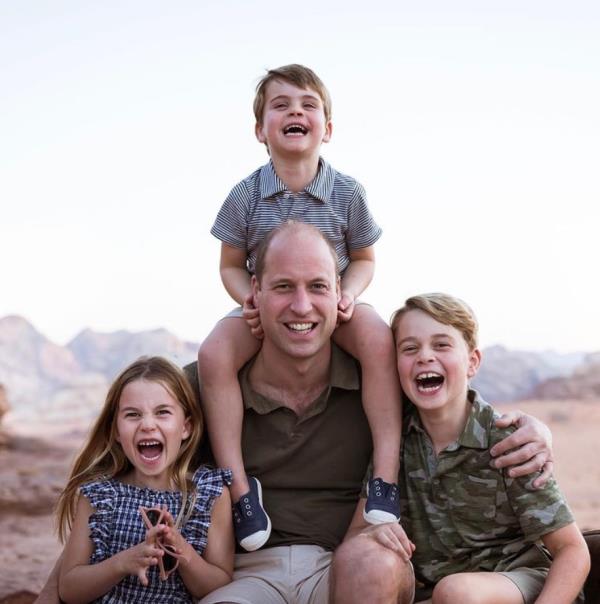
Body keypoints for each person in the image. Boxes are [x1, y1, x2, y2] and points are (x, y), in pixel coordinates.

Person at [35, 223, 555, 604]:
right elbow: (117, 480)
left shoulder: (379, 385)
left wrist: (537, 429)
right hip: (245, 575)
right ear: (254, 294)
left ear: (340, 298)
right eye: (283, 287)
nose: (301, 306)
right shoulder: (207, 390)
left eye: (317, 287)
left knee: (372, 560)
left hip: (348, 566)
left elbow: (452, 405)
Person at [198, 63, 403, 550]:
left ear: (327, 129)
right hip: (267, 306)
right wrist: (245, 297)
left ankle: (386, 477)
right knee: (213, 355)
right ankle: (241, 491)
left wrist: (348, 293)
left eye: (308, 105)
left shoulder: (347, 192)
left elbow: (364, 258)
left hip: (332, 303)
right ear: (260, 129)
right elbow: (229, 265)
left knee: (377, 338)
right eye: (281, 105)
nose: (296, 112)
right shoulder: (245, 195)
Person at [373, 293, 589, 603]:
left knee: (457, 591)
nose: (424, 356)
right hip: (436, 593)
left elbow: (572, 550)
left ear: (472, 362)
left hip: (521, 583)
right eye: (409, 348)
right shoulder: (393, 439)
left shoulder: (509, 442)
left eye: (442, 345)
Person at [54, 356, 234, 603]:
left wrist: (179, 548)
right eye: (133, 414)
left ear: (186, 427)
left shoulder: (209, 495)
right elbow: (69, 590)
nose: (148, 424)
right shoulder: (100, 495)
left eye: (162, 413)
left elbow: (217, 586)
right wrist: (122, 563)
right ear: (116, 431)